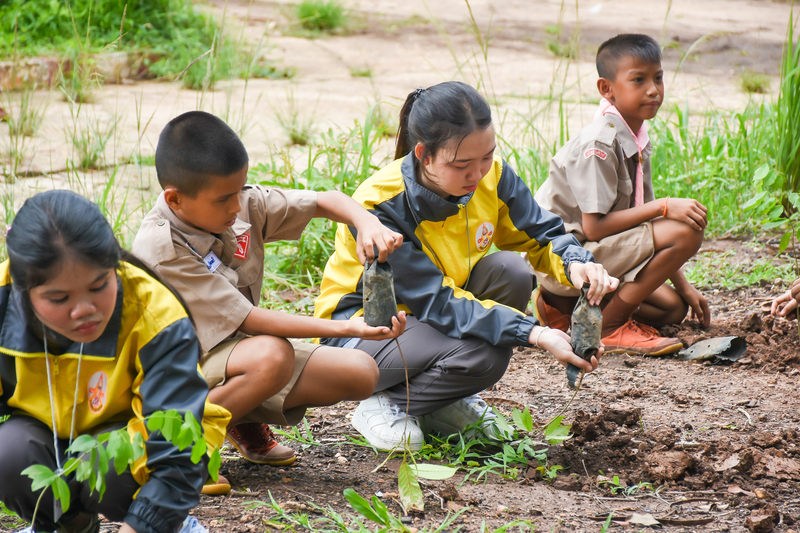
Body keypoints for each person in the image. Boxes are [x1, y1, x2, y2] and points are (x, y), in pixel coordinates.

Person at [314, 81, 618, 451]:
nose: (477, 174)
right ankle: (386, 403)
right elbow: (437, 302)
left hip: (425, 322)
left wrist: (576, 264)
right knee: (486, 353)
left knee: (512, 271)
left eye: (487, 156)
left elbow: (540, 233)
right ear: (424, 155)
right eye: (462, 165)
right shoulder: (382, 206)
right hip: (360, 332)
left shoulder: (492, 177)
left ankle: (439, 399)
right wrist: (536, 333)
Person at [131, 111, 405, 483]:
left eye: (240, 190)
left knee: (361, 372)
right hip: (175, 373)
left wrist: (366, 222)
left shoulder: (237, 204)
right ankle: (178, 445)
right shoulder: (162, 248)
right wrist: (346, 328)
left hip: (231, 356)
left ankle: (237, 418)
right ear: (175, 199)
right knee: (271, 354)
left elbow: (325, 200)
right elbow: (250, 321)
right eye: (224, 198)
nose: (235, 206)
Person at [0, 190, 230, 533]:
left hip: (135, 439)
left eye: (99, 286)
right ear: (23, 289)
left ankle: (170, 523)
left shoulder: (155, 314)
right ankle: (71, 525)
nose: (84, 310)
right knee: (9, 452)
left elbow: (176, 452)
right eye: (59, 298)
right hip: (43, 437)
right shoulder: (4, 303)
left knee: (109, 461)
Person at [532, 33, 710, 355]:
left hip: (595, 256)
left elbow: (644, 227)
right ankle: (609, 327)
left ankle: (558, 309)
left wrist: (685, 287)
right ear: (606, 89)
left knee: (672, 308)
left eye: (658, 78)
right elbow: (595, 228)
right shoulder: (600, 142)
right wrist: (664, 206)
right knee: (686, 229)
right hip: (568, 260)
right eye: (638, 80)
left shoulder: (635, 137)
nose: (653, 89)